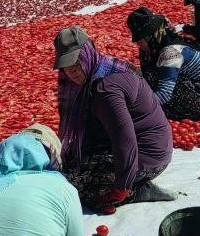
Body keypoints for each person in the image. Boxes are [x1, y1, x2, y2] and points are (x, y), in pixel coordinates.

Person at [52, 26, 175, 211]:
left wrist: (121, 187)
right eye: (66, 67)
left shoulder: (105, 89)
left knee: (76, 190)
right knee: (68, 167)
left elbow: (124, 137)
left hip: (149, 156)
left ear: (88, 53)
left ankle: (138, 190)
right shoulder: (105, 66)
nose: (72, 72)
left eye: (77, 63)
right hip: (143, 147)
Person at [126, 7, 200, 121]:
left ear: (151, 36)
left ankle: (187, 111)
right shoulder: (155, 45)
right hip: (195, 87)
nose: (137, 43)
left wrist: (135, 110)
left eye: (140, 39)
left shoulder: (170, 53)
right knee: (148, 73)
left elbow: (164, 93)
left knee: (154, 77)